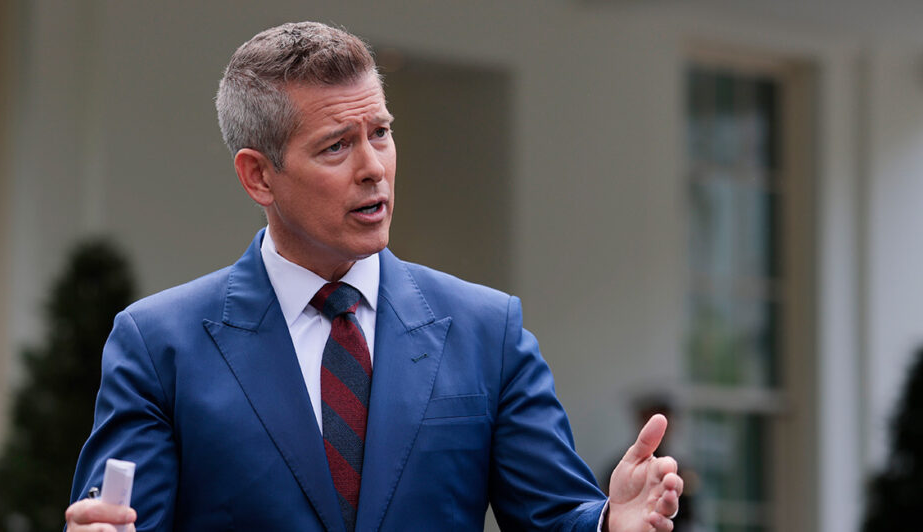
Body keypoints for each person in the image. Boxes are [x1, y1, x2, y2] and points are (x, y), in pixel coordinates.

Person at [64, 22, 682, 531]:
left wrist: (609, 524)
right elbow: (121, 519)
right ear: (258, 176)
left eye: (381, 134)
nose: (373, 169)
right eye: (336, 146)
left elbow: (553, 516)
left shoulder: (487, 331)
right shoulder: (158, 344)